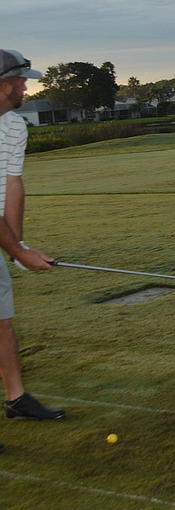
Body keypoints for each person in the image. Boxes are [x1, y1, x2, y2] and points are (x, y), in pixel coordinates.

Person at [0, 49, 65, 447]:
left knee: (2, 320)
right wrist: (19, 252)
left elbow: (12, 185)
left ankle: (16, 397)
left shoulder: (13, 126)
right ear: (5, 85)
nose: (27, 86)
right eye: (23, 80)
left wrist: (16, 244)